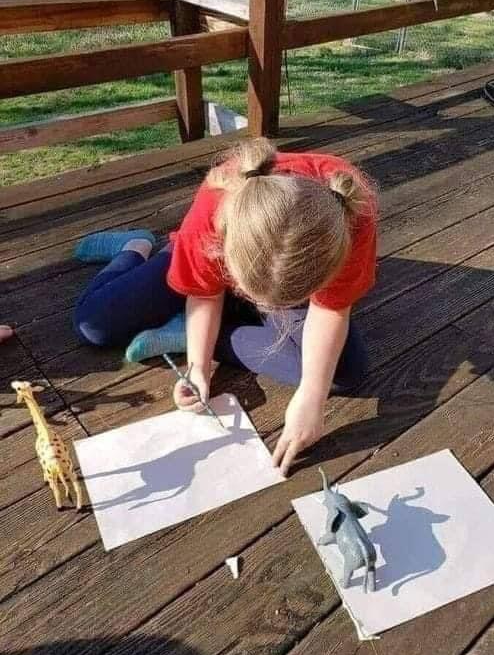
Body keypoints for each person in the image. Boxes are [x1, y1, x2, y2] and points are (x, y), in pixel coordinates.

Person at [74, 138, 378, 476]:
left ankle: (187, 332)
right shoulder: (214, 207)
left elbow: (331, 308)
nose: (260, 307)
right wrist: (199, 369)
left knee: (339, 376)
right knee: (94, 325)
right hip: (204, 257)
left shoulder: (349, 208)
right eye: (253, 297)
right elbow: (205, 293)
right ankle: (134, 246)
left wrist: (311, 395)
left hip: (285, 267)